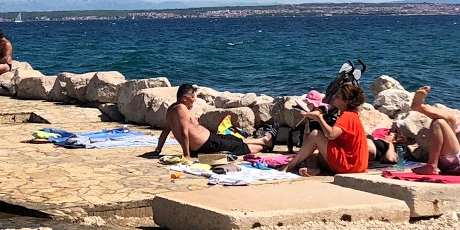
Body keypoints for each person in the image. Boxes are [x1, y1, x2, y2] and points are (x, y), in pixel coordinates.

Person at [144, 84, 275, 159]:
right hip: (207, 144)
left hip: (209, 140)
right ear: (184, 98)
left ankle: (264, 140)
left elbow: (166, 131)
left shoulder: (171, 109)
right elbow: (184, 133)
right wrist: (186, 156)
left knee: (232, 139)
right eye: (192, 97)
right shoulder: (181, 108)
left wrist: (158, 150)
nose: (194, 100)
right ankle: (264, 145)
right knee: (238, 148)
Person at [285, 79, 370, 176]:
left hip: (349, 165)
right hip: (357, 165)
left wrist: (319, 118)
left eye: (337, 96)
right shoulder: (353, 115)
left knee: (315, 135)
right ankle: (314, 169)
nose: (334, 97)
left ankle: (288, 167)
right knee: (311, 153)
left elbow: (331, 135)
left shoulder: (347, 116)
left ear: (346, 101)